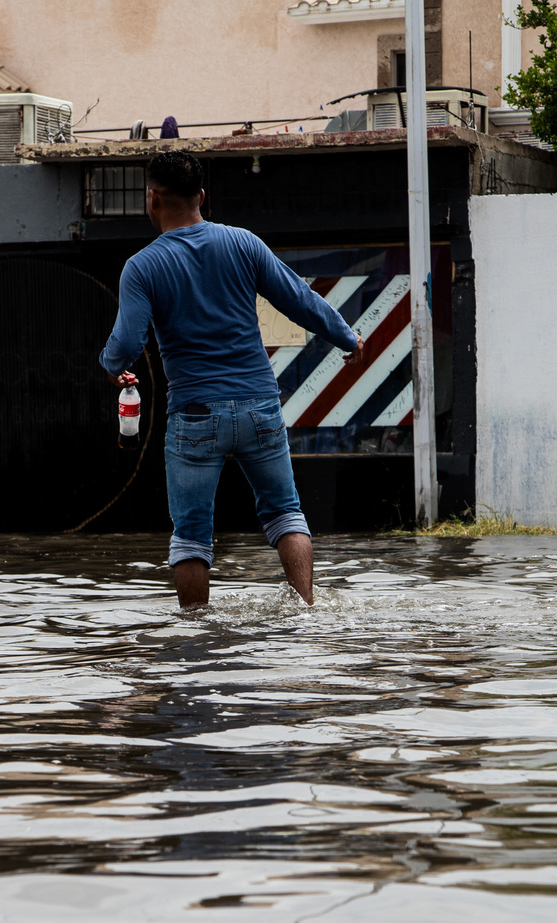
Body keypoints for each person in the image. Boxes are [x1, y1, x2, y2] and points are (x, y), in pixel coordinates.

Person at [98, 150, 364, 611]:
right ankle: (306, 612)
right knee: (285, 513)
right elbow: (299, 299)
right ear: (202, 196)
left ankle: (196, 634)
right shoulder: (243, 243)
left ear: (151, 200)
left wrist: (109, 365)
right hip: (259, 406)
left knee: (192, 535)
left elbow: (125, 343)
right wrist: (346, 338)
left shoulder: (142, 267)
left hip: (195, 416)